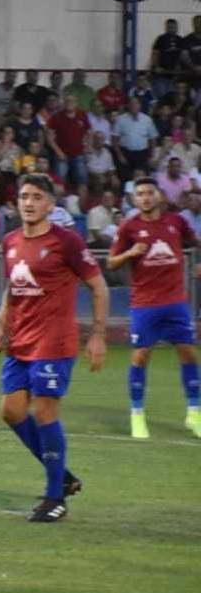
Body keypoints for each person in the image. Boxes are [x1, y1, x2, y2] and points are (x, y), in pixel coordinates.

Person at [0, 174, 107, 523]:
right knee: (10, 411)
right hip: (20, 342)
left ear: (50, 205)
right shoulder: (10, 241)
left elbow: (98, 286)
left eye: (37, 197)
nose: (28, 202)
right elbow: (13, 287)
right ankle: (63, 475)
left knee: (44, 413)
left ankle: (55, 498)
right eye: (24, 196)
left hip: (53, 342)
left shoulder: (66, 242)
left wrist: (98, 335)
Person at [107, 177, 201, 440]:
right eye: (140, 194)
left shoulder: (176, 222)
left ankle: (194, 414)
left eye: (149, 192)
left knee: (189, 354)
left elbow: (196, 243)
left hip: (175, 302)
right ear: (134, 200)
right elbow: (112, 263)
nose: (145, 197)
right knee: (140, 357)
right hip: (145, 304)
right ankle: (137, 416)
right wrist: (129, 254)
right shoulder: (129, 227)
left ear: (158, 196)